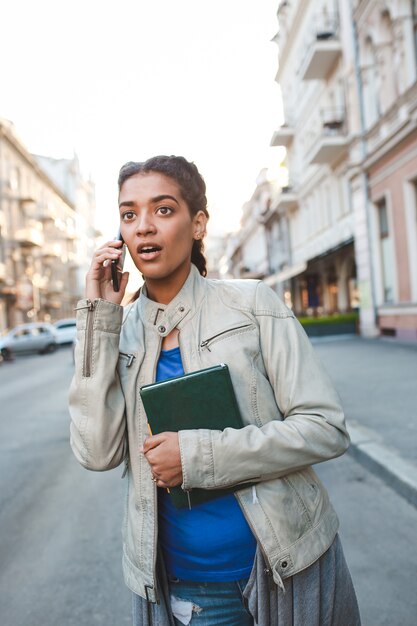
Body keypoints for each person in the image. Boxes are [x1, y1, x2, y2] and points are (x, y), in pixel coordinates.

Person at [69, 155, 361, 626]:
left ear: (198, 222)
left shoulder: (254, 306)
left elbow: (325, 428)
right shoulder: (115, 333)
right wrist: (98, 321)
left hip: (285, 564)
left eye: (163, 210)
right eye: (129, 214)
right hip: (188, 585)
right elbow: (96, 452)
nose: (143, 227)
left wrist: (198, 456)